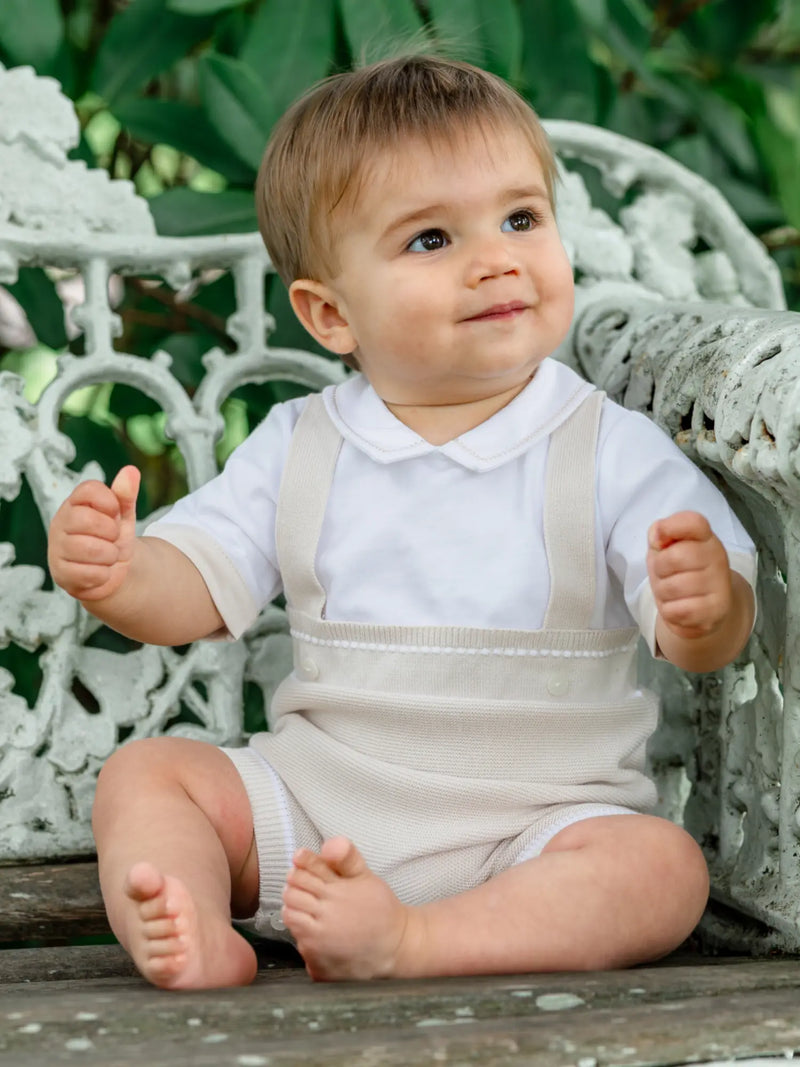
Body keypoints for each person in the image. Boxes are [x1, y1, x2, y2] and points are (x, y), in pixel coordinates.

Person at [47, 55, 756, 990]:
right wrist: (120, 573)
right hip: (311, 812)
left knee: (661, 871)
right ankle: (184, 919)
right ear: (330, 313)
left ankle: (417, 943)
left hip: (535, 827)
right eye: (431, 240)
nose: (496, 257)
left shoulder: (605, 447)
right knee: (149, 776)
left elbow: (710, 638)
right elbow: (192, 588)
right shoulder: (301, 443)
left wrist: (706, 604)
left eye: (520, 218)